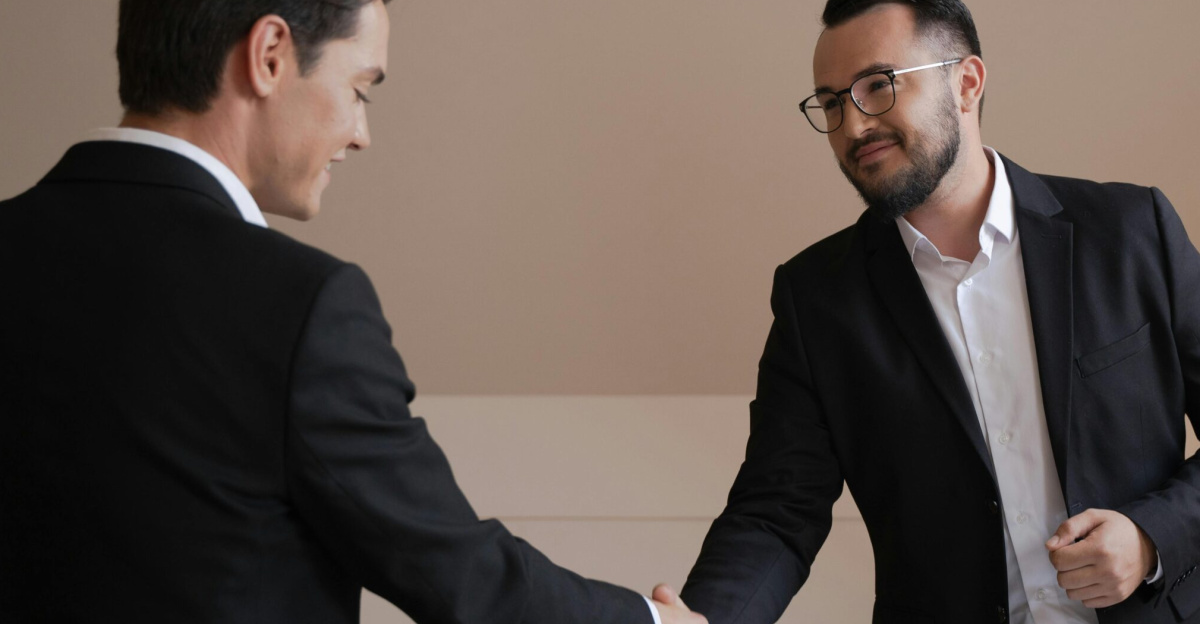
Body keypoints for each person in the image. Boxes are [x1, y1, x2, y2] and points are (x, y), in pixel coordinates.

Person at [0, 1, 706, 623]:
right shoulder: (301, 304)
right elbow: (463, 582)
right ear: (270, 54)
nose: (361, 133)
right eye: (361, 88)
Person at [679, 1, 1200, 622]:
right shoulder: (816, 299)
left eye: (878, 85)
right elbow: (775, 514)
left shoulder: (1132, 232)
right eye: (832, 102)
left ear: (966, 83)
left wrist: (1151, 538)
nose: (852, 126)